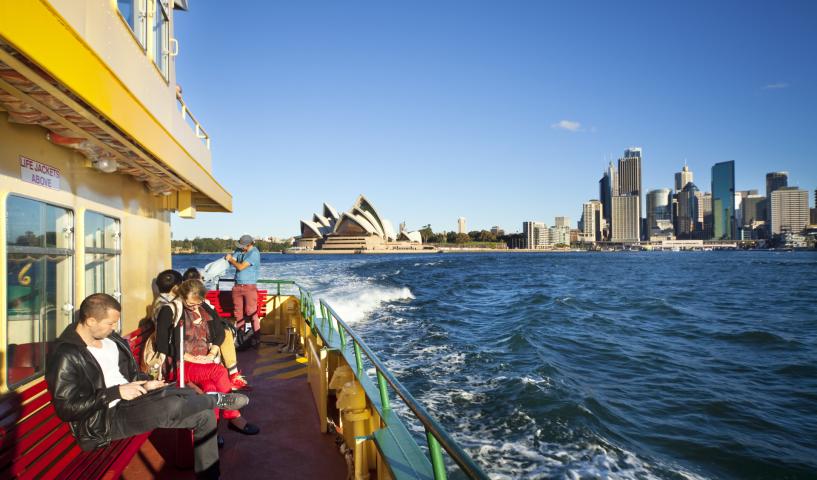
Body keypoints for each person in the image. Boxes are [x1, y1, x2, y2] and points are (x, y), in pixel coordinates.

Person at [45, 293, 249, 479]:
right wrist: (115, 392)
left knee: (203, 415)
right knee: (172, 406)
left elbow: (129, 374)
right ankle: (214, 399)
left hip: (134, 399)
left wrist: (145, 382)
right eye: (110, 323)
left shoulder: (110, 339)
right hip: (106, 418)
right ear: (90, 321)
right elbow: (67, 408)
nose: (114, 328)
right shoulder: (66, 355)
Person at [165, 279, 260, 435]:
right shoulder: (170, 311)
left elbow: (220, 331)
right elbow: (164, 345)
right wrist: (192, 358)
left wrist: (212, 353)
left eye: (198, 303)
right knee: (220, 372)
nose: (194, 307)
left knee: (211, 387)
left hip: (202, 363)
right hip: (180, 364)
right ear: (181, 297)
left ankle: (213, 430)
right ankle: (233, 415)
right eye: (190, 304)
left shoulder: (204, 308)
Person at [182, 267, 250, 390]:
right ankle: (232, 376)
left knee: (225, 333)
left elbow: (215, 321)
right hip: (191, 356)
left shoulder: (199, 304)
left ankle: (229, 385)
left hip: (205, 343)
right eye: (201, 279)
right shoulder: (186, 308)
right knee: (226, 334)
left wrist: (211, 353)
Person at [225, 235, 262, 347]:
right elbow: (233, 258)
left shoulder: (254, 253)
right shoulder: (240, 250)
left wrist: (230, 259)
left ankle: (257, 339)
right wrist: (229, 259)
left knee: (252, 313)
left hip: (249, 287)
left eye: (243, 246)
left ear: (249, 244)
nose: (241, 248)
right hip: (237, 286)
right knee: (238, 314)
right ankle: (240, 338)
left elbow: (240, 267)